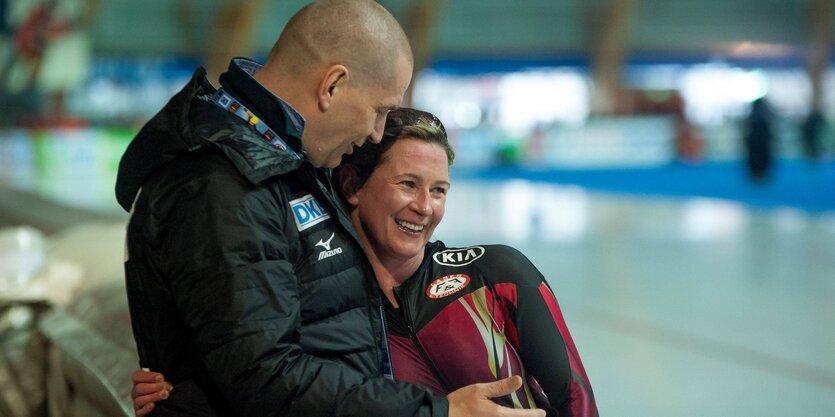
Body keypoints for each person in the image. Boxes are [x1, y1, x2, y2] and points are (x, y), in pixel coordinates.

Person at [115, 1, 543, 416]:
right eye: (379, 110)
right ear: (332, 85)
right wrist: (434, 411)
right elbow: (264, 377)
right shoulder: (220, 184)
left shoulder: (290, 160)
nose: (377, 133)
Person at [132, 109, 599, 416]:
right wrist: (185, 395)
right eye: (407, 184)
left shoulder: (495, 275)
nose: (425, 207)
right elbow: (280, 386)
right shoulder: (323, 316)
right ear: (353, 185)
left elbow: (575, 398)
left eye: (439, 190)